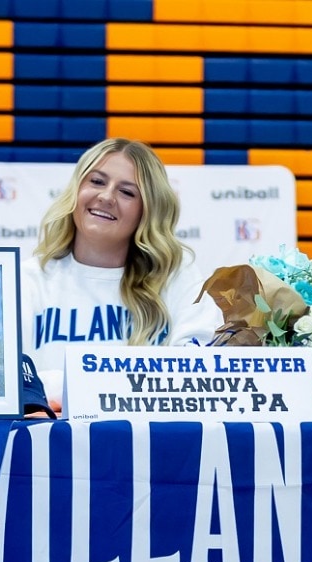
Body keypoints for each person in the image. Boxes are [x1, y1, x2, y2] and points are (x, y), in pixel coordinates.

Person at [20, 138, 222, 408]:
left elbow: (197, 372)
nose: (106, 197)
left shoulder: (175, 276)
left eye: (127, 192)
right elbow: (8, 383)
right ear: (76, 190)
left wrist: (62, 386)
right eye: (96, 181)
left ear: (147, 211)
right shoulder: (27, 280)